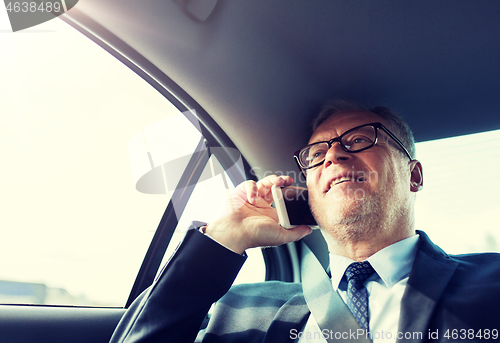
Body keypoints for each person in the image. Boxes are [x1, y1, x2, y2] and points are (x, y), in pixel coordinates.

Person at [109, 100, 500, 343]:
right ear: (308, 189)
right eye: (316, 153)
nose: (333, 156)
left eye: (361, 139)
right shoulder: (239, 310)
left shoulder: (493, 283)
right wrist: (225, 236)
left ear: (414, 176)